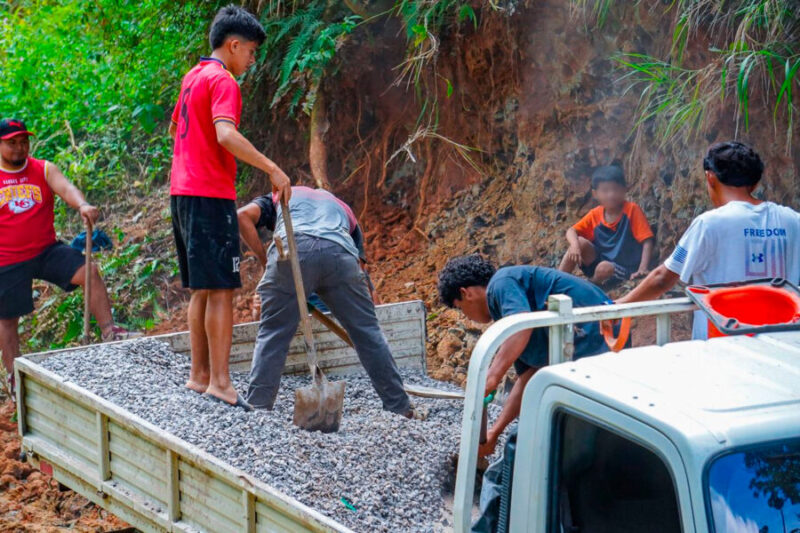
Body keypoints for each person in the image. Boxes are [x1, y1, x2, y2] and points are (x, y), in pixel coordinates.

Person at [168, 5, 292, 410]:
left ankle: (199, 376)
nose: (252, 61)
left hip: (182, 191)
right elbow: (225, 134)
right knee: (222, 288)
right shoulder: (222, 80)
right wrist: (272, 167)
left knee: (202, 288)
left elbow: (176, 128)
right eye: (252, 51)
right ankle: (221, 382)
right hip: (208, 193)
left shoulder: (192, 77)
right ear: (233, 44)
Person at [437, 255, 612, 532]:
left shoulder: (501, 284)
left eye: (461, 309)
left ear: (466, 292)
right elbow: (528, 376)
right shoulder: (509, 316)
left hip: (595, 336)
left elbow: (523, 326)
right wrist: (495, 431)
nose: (466, 316)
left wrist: (491, 375)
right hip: (587, 350)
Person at [238, 186, 416, 418]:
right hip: (340, 254)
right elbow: (360, 269)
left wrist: (266, 262)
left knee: (273, 333)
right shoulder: (343, 209)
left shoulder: (281, 194)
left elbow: (242, 216)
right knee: (368, 333)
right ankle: (399, 407)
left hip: (292, 252)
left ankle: (258, 411)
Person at [0, 118, 138, 389]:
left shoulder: (43, 169)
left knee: (89, 271)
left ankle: (110, 332)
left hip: (45, 249)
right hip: (7, 258)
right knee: (6, 318)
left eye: (23, 141)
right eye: (12, 143)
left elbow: (66, 188)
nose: (19, 147)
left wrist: (83, 205)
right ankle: (13, 374)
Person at [617, 141, 800, 339]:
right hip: (785, 346)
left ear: (710, 177)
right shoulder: (793, 220)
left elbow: (663, 279)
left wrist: (619, 307)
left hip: (723, 347)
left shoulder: (708, 224)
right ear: (755, 183)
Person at [559, 165, 654, 285]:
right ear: (595, 193)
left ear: (625, 189)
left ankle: (591, 283)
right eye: (605, 190)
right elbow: (571, 231)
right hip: (599, 262)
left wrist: (642, 269)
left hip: (623, 268)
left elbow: (647, 241)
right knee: (579, 242)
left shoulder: (631, 210)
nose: (611, 195)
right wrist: (575, 245)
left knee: (604, 267)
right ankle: (557, 280)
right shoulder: (595, 214)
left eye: (616, 189)